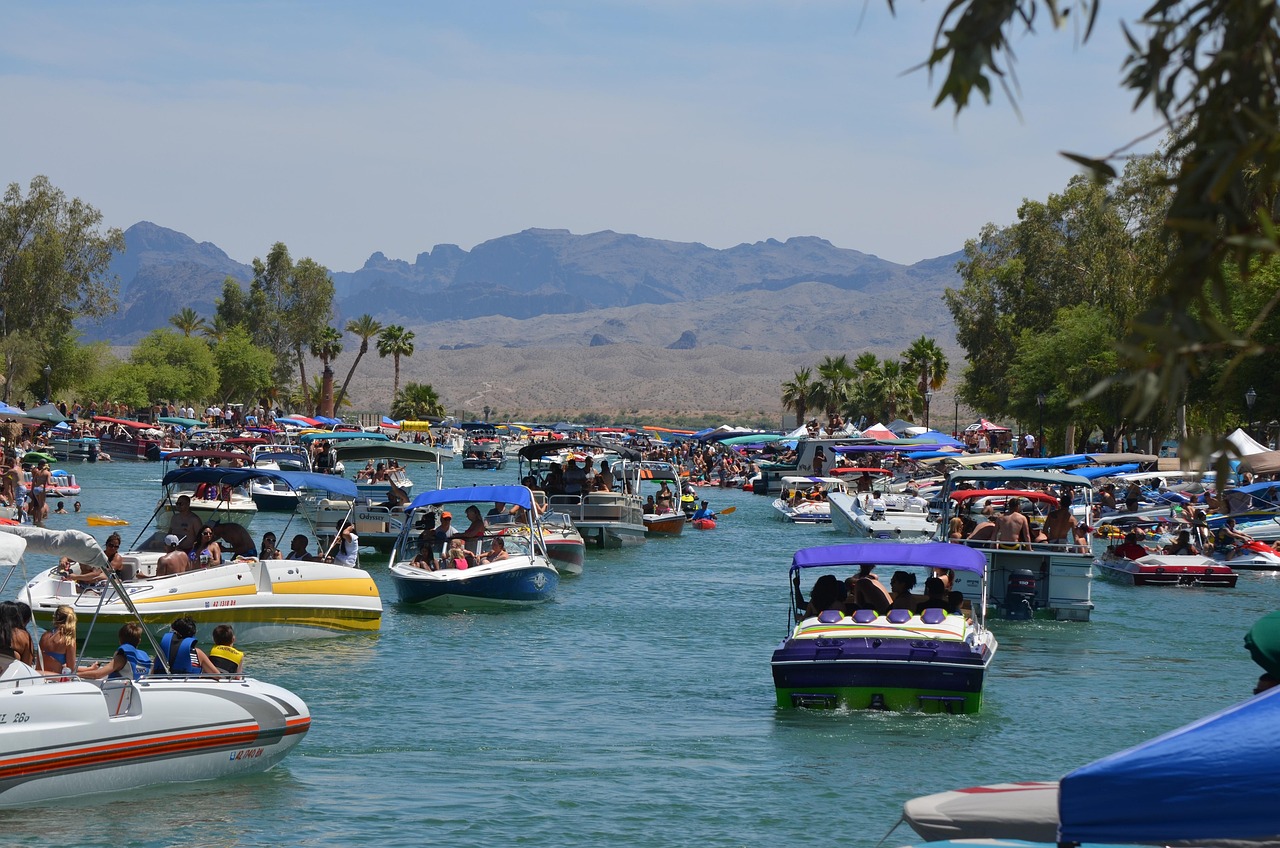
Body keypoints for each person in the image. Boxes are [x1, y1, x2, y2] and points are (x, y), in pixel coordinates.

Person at [78, 622, 151, 680]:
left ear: (120, 640)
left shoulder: (121, 659)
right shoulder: (145, 656)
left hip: (120, 693)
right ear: (139, 641)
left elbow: (98, 674)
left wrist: (75, 676)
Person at [152, 616, 218, 675]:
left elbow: (152, 673)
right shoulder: (197, 653)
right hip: (188, 686)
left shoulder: (162, 652)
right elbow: (217, 675)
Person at [38, 605, 77, 675]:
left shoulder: (44, 636)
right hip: (55, 679)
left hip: (40, 675)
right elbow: (71, 669)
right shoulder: (68, 641)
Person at [28, 459, 52, 525]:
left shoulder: (37, 471)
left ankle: (35, 520)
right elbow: (48, 483)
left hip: (35, 489)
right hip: (40, 489)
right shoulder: (40, 471)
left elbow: (33, 482)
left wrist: (32, 490)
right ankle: (39, 520)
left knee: (36, 506)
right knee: (40, 506)